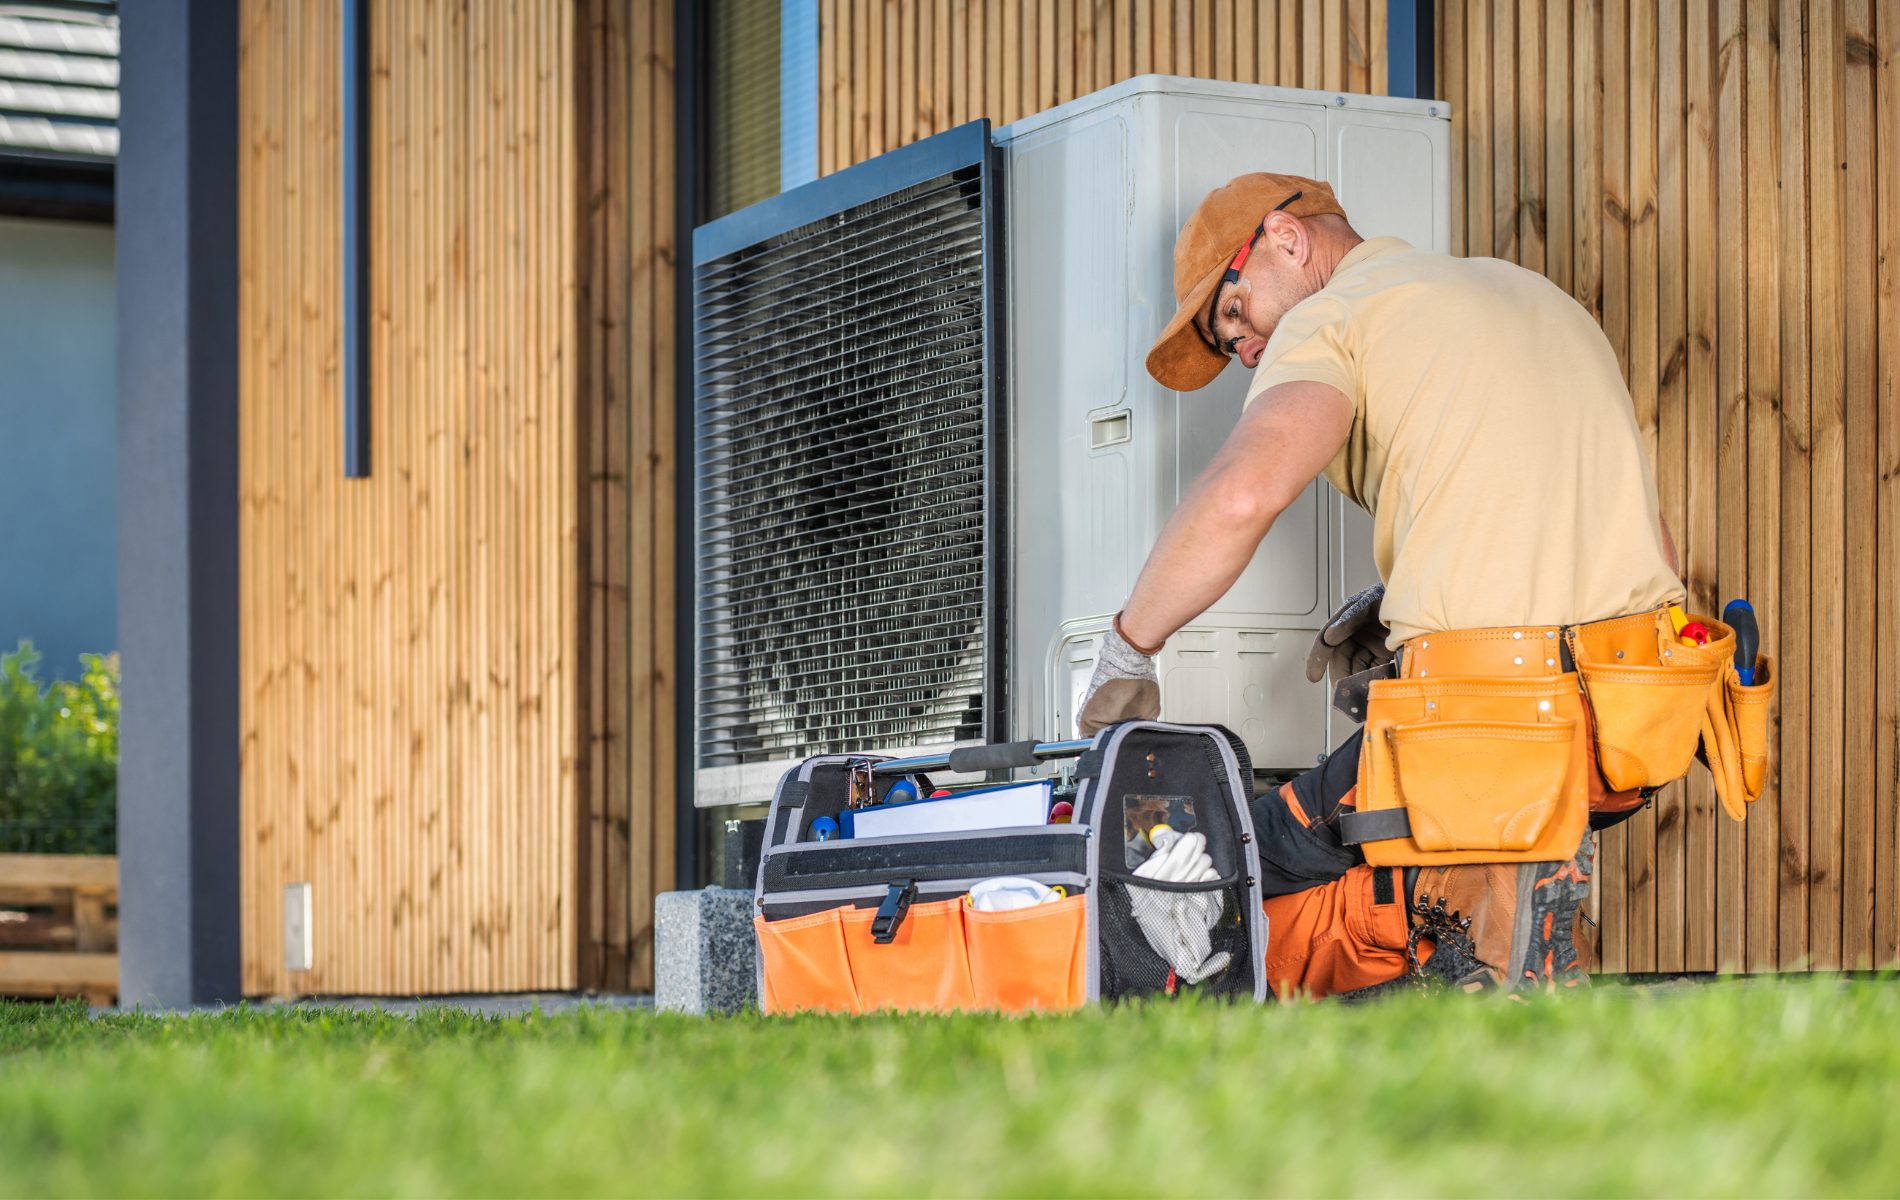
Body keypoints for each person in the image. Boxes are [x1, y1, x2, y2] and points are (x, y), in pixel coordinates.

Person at [1076, 172, 1689, 998]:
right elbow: (1648, 539)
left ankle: (1469, 954)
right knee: (1410, 832)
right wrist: (1423, 596)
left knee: (1227, 855)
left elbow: (1242, 494)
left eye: (1234, 315)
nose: (1247, 350)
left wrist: (1128, 648)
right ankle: (1502, 922)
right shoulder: (1534, 295)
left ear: (1285, 241)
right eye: (1232, 348)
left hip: (1488, 723)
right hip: (1631, 724)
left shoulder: (1335, 314)